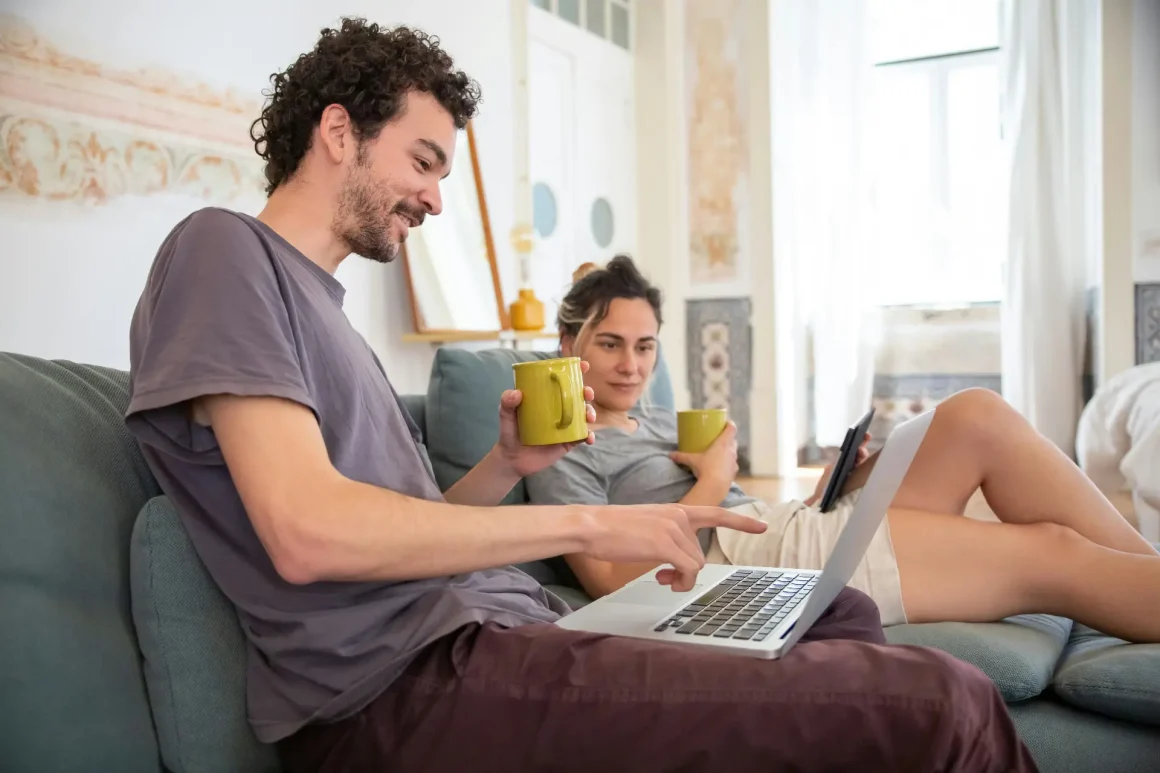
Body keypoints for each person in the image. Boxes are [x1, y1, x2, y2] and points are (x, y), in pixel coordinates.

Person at [123, 18, 1038, 772]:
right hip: (403, 689)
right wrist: (593, 523)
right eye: (424, 161)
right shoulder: (223, 252)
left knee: (839, 611)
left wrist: (505, 466)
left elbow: (405, 533)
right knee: (948, 703)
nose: (437, 199)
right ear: (337, 133)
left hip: (494, 629)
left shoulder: (328, 315)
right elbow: (309, 534)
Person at [527, 256, 1160, 643]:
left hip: (782, 528)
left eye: (644, 347)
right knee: (1052, 551)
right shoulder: (563, 443)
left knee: (977, 415)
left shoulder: (662, 420)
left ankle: (1146, 571)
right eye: (610, 344)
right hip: (742, 565)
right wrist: (714, 482)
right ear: (566, 343)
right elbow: (609, 583)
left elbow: (757, 517)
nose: (631, 366)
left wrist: (833, 489)